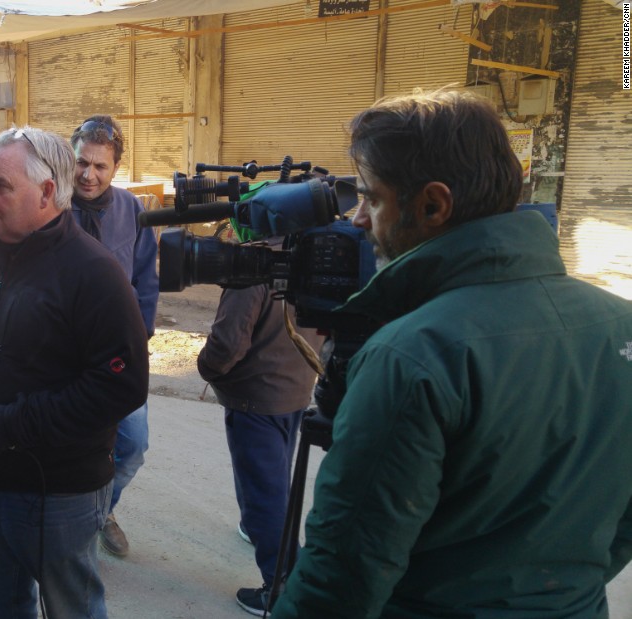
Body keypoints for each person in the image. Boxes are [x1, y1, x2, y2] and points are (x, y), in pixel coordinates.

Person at [270, 90, 632, 618]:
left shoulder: (412, 355)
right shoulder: (620, 325)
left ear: (433, 205)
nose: (357, 219)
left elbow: (342, 575)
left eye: (371, 198)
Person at [0, 126, 149, 618]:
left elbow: (122, 386)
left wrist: (10, 425)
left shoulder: (93, 272)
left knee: (72, 610)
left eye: (0, 186)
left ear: (47, 192)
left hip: (57, 493)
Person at [197, 268, 323, 616]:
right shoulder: (315, 250)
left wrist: (207, 367)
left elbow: (228, 343)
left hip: (256, 398)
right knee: (274, 480)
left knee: (264, 497)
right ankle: (264, 537)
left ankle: (282, 586)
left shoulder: (256, 262)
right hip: (294, 388)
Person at [68, 114, 158, 557]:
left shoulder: (133, 209)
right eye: (82, 163)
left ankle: (102, 511)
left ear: (115, 168)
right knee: (69, 446)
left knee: (133, 445)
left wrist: (139, 338)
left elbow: (146, 279)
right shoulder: (50, 206)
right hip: (65, 355)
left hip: (120, 352)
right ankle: (70, 529)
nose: (89, 175)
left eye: (100, 167)